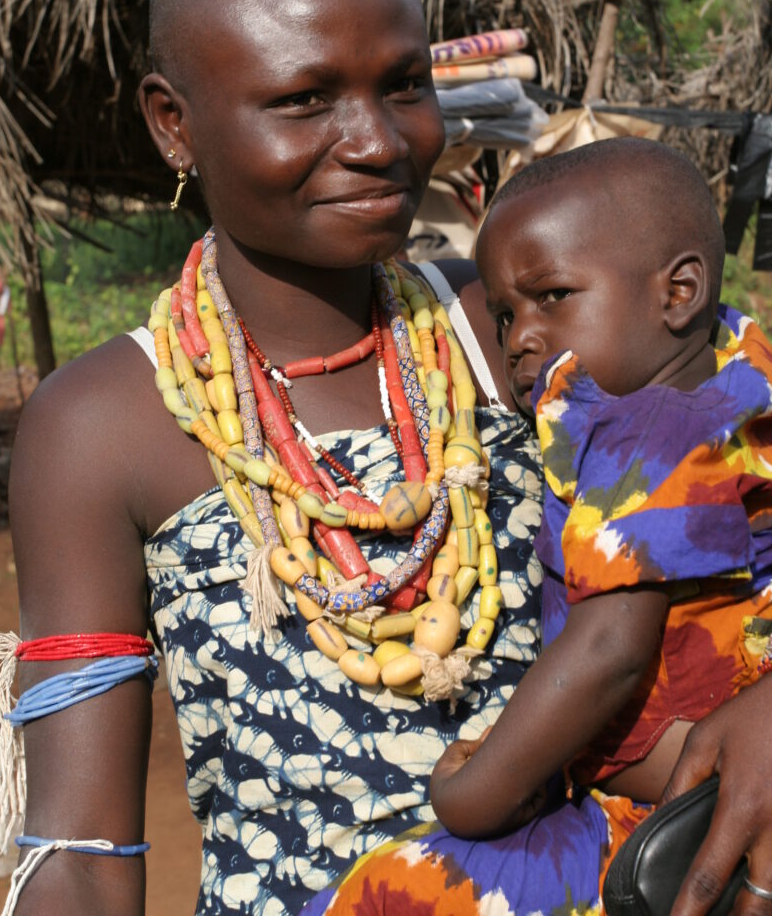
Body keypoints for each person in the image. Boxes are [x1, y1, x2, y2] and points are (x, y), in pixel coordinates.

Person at [0, 0, 772, 916]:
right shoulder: (100, 427)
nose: (376, 141)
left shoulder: (530, 323)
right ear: (171, 123)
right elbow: (84, 854)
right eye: (304, 98)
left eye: (403, 86)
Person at [302, 139, 772, 915]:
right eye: (504, 313)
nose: (520, 336)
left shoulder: (644, 430)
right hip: (695, 795)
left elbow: (610, 651)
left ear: (679, 291)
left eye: (553, 296)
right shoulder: (735, 376)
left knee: (394, 889)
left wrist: (479, 793)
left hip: (672, 818)